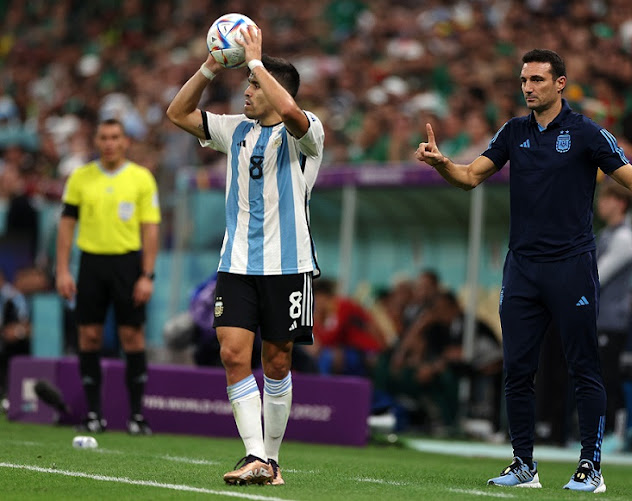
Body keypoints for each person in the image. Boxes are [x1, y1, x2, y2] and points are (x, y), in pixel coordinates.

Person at [415, 49, 632, 493]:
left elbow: (631, 179)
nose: (528, 87)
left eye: (536, 79)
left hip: (571, 267)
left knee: (584, 367)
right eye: (523, 81)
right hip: (522, 270)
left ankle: (591, 465)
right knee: (517, 369)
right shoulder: (513, 132)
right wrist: (443, 165)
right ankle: (524, 464)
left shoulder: (586, 132)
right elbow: (471, 176)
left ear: (560, 83)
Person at [166, 23, 324, 486]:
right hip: (236, 263)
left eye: (253, 85)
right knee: (234, 353)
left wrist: (257, 61)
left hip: (289, 266)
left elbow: (293, 115)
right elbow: (177, 113)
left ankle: (271, 461)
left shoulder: (307, 131)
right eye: (249, 83)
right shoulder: (233, 130)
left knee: (277, 361)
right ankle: (255, 455)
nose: (246, 92)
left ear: (274, 90)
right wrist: (210, 66)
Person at [55, 118, 161, 435]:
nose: (110, 142)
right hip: (91, 263)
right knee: (88, 336)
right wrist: (62, 270)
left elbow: (151, 228)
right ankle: (93, 415)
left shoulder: (141, 178)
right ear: (97, 141)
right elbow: (66, 225)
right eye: (104, 137)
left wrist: (147, 274)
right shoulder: (80, 178)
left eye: (115, 137)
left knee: (132, 337)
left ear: (125, 141)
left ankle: (136, 416)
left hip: (128, 265)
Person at [595, 181, 632, 436]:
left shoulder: (624, 238)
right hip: (600, 319)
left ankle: (617, 431)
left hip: (612, 320)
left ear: (621, 203)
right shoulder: (606, 234)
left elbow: (598, 276)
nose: (601, 203)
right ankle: (605, 429)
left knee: (609, 377)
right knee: (599, 377)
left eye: (606, 198)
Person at [311, 278, 386, 376]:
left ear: (323, 296)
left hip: (363, 350)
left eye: (316, 298)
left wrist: (379, 349)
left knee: (327, 357)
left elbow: (332, 336)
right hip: (347, 349)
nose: (315, 303)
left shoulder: (343, 306)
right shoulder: (319, 316)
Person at [0, 269, 31, 404]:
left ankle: (9, 394)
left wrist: (18, 331)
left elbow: (27, 327)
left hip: (11, 348)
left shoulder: (13, 297)